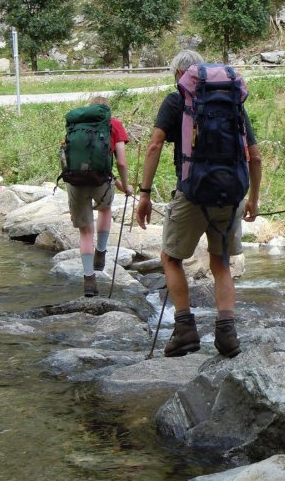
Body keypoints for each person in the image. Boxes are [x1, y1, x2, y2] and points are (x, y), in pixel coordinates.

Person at [135, 50, 262, 359]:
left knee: (170, 257)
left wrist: (145, 193)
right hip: (230, 194)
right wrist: (253, 198)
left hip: (192, 194)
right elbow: (254, 155)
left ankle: (185, 330)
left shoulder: (177, 99)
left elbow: (153, 146)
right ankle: (227, 334)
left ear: (180, 75)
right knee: (220, 263)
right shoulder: (232, 101)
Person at [67, 96, 133, 297]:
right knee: (104, 209)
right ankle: (101, 253)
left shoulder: (76, 125)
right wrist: (126, 185)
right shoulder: (113, 124)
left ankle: (88, 280)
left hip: (75, 181)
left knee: (85, 232)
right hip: (102, 182)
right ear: (107, 111)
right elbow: (121, 162)